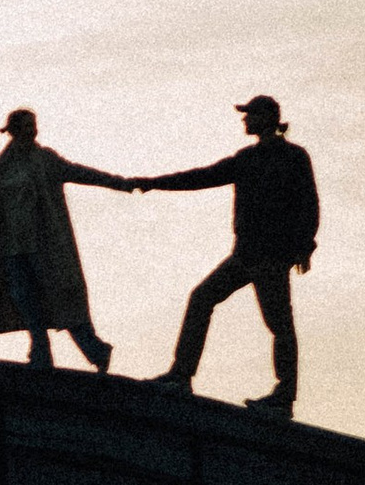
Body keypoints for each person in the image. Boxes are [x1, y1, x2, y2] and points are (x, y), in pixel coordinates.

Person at [134, 95, 320, 416]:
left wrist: (304, 247)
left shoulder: (293, 156)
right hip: (244, 255)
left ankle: (283, 397)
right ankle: (181, 375)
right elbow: (200, 177)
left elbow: (309, 204)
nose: (244, 120)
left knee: (279, 324)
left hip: (272, 257)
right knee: (202, 299)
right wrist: (152, 183)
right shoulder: (245, 158)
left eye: (250, 115)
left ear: (267, 117)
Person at [0, 109, 134, 373]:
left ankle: (95, 350)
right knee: (24, 299)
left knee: (63, 297)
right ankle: (41, 352)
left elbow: (81, 173)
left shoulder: (45, 160)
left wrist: (120, 183)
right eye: (28, 126)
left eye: (34, 125)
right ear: (14, 130)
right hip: (12, 247)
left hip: (45, 247)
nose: (33, 130)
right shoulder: (3, 164)